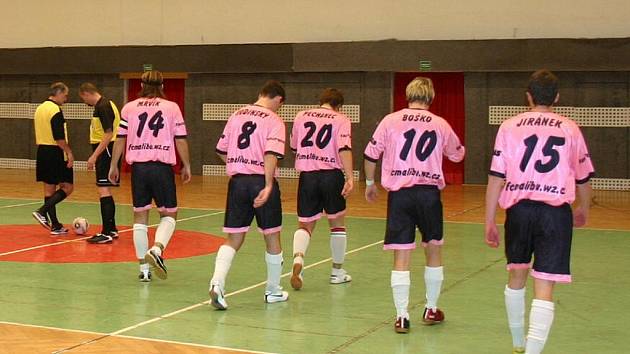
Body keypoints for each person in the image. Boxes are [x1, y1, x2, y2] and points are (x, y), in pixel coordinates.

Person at [485, 70, 594, 354]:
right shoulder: (570, 128)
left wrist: (489, 221)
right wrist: (583, 207)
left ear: (528, 96)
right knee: (544, 286)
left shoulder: (509, 127)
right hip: (555, 212)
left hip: (518, 211)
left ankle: (518, 342)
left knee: (516, 275)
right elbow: (583, 176)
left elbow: (496, 177)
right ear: (557, 97)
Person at [364, 77, 465, 333]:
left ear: (407, 95)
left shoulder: (390, 120)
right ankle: (431, 308)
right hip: (429, 194)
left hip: (400, 195)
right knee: (433, 250)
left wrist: (369, 182)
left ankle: (401, 316)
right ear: (431, 97)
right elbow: (457, 153)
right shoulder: (440, 124)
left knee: (402, 254)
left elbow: (370, 154)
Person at [209, 80, 288, 309]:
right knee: (272, 236)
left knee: (233, 238)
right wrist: (268, 184)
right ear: (278, 100)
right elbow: (272, 153)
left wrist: (238, 165)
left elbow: (221, 150)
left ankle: (217, 283)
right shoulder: (274, 120)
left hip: (238, 182)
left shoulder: (236, 115)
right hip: (259, 180)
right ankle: (273, 291)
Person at [109, 70, 191, 282]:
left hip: (139, 169)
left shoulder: (129, 107)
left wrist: (114, 165)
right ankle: (157, 249)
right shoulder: (172, 107)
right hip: (161, 167)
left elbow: (120, 138)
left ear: (141, 85)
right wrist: (187, 164)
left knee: (140, 216)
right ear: (162, 85)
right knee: (169, 214)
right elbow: (180, 139)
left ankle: (144, 270)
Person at [289, 88, 353, 290]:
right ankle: (337, 272)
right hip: (331, 175)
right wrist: (350, 177)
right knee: (337, 225)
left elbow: (293, 146)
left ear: (321, 100)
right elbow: (344, 148)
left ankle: (298, 259)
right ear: (339, 105)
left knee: (305, 225)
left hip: (307, 176)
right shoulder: (341, 119)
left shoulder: (301, 116)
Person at [79, 83, 121, 244]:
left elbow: (108, 134)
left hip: (106, 151)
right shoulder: (105, 104)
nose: (85, 102)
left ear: (87, 94)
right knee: (105, 190)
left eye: (83, 98)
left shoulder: (103, 106)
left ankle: (107, 232)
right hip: (107, 151)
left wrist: (94, 156)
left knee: (103, 190)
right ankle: (112, 229)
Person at [32, 82, 74, 235]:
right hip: (55, 152)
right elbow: (59, 138)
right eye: (65, 94)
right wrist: (69, 153)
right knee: (68, 187)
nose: (66, 98)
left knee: (49, 191)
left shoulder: (40, 108)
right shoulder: (55, 110)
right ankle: (42, 211)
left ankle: (55, 225)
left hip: (42, 151)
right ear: (58, 93)